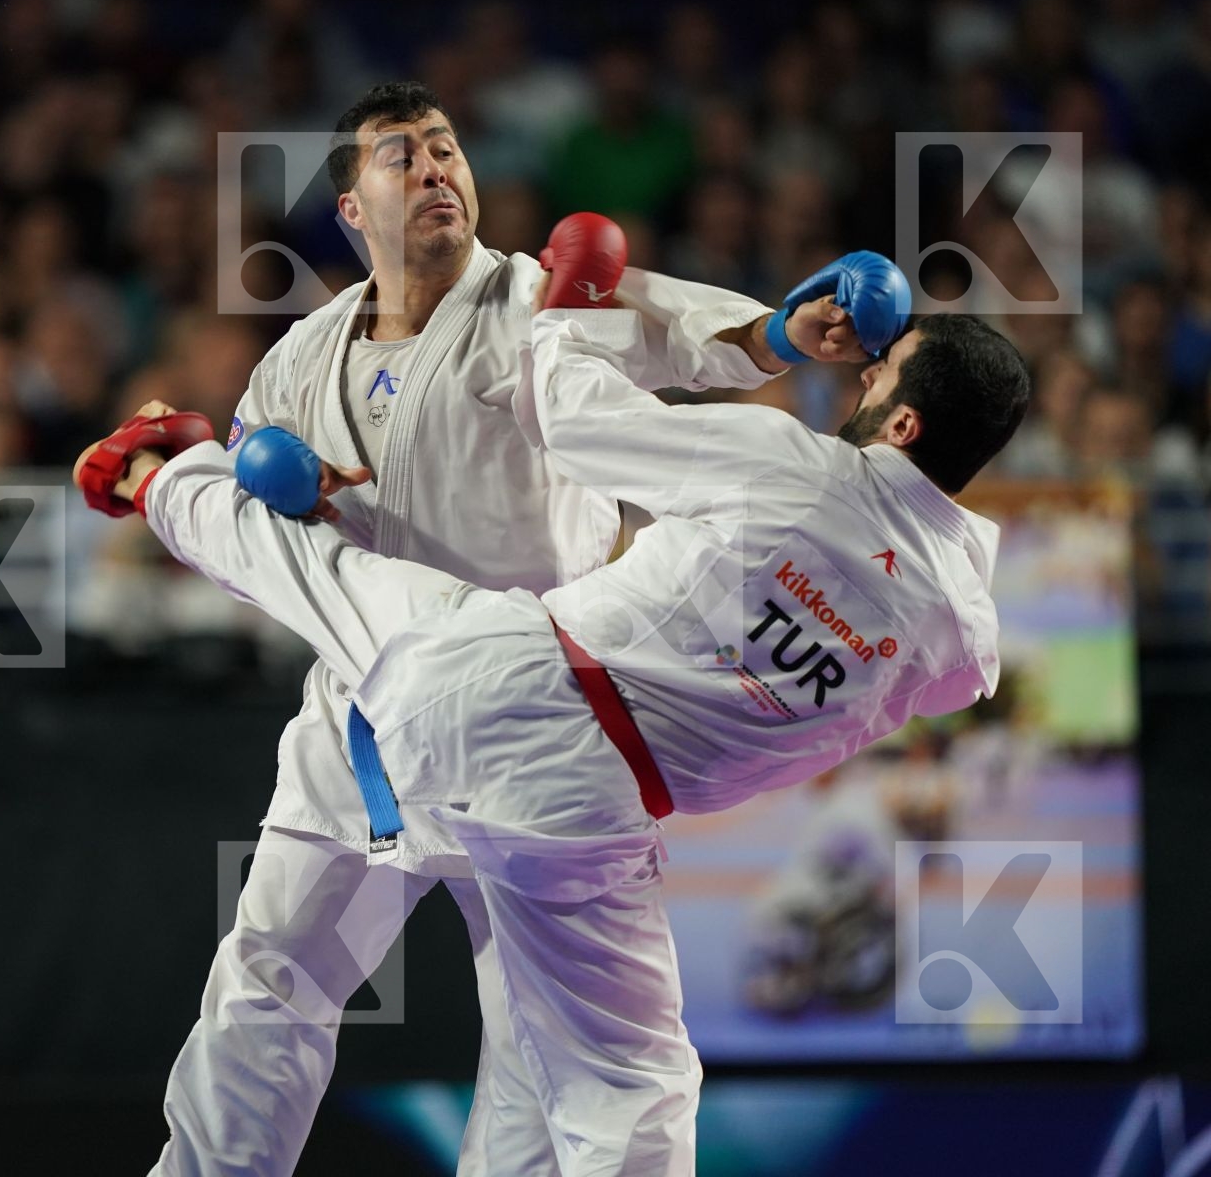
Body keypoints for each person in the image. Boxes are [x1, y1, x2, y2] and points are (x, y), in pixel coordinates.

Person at [76, 295, 1029, 1173]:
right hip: (592, 817)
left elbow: (573, 418)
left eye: (881, 372)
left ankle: (159, 472)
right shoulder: (963, 638)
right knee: (625, 1084)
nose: (861, 378)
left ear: (902, 423)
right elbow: (911, 647)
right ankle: (164, 476)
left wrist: (570, 311)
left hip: (507, 682)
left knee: (309, 561)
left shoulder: (800, 467)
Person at [144, 79, 866, 1176]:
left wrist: (776, 331)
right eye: (403, 156)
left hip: (531, 726)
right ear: (350, 210)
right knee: (268, 981)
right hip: (361, 724)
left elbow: (673, 330)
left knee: (539, 1047)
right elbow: (259, 513)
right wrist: (248, 475)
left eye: (446, 150)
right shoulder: (298, 357)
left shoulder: (538, 303)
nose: (437, 169)